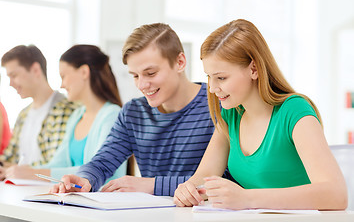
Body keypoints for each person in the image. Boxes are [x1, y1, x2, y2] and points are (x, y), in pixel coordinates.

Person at [173, 19, 347, 210]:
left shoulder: (295, 111)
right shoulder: (231, 115)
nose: (213, 88)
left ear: (254, 69)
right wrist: (189, 189)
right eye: (209, 77)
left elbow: (336, 195)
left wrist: (247, 199)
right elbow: (204, 176)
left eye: (221, 77)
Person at [50, 23, 215, 196]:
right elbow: (103, 162)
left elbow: (222, 181)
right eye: (135, 76)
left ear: (180, 62)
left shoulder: (217, 106)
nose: (142, 85)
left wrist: (151, 185)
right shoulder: (134, 112)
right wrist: (85, 178)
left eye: (150, 73)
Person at [4, 45, 127, 181]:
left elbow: (99, 170)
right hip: (76, 199)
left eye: (63, 76)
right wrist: (28, 172)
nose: (61, 85)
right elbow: (57, 164)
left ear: (84, 72)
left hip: (100, 200)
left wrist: (32, 174)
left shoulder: (112, 115)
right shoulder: (77, 116)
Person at [0, 45, 77, 180]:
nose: (10, 83)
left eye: (14, 75)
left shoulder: (66, 110)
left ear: (35, 70)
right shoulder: (23, 114)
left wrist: (17, 170)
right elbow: (9, 158)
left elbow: (56, 163)